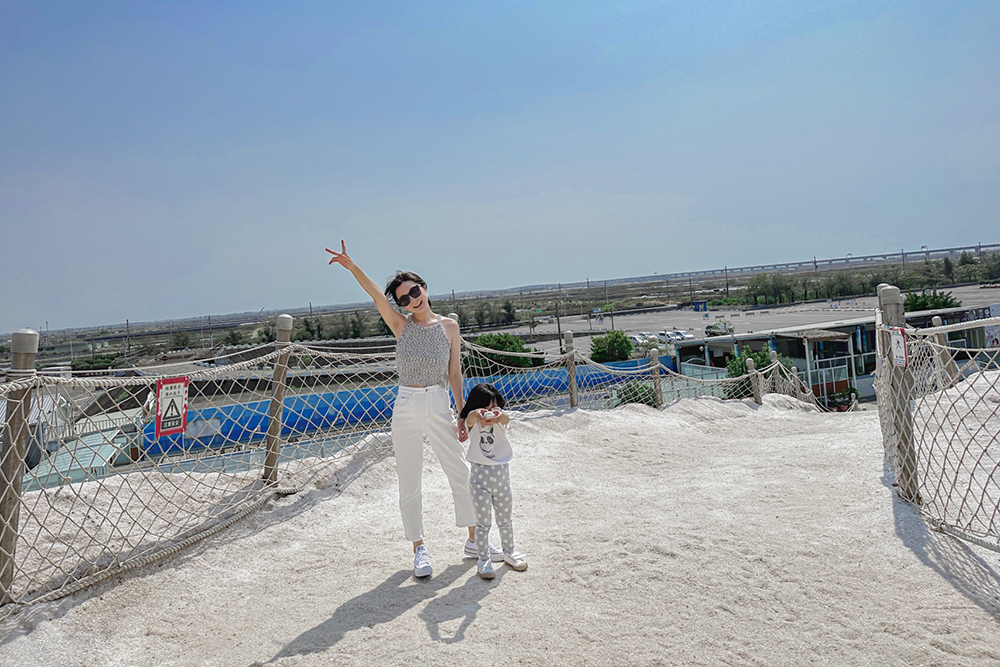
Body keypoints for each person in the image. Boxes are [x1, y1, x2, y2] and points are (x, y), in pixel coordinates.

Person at [326, 240, 504, 578]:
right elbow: (376, 294)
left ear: (424, 287)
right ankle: (419, 548)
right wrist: (352, 267)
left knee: (460, 473)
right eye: (404, 299)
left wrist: (463, 412)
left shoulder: (449, 326)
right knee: (410, 479)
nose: (412, 300)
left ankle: (474, 540)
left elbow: (454, 372)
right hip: (406, 404)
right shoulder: (401, 326)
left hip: (439, 403)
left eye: (415, 291)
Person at [459, 382, 528, 579]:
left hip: (501, 477)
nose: (489, 413)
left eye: (493, 407)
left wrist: (497, 414)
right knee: (482, 523)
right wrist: (478, 413)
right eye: (485, 407)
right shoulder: (473, 424)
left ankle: (509, 552)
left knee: (505, 520)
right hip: (479, 480)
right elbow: (470, 417)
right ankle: (483, 560)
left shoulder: (501, 421)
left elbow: (506, 417)